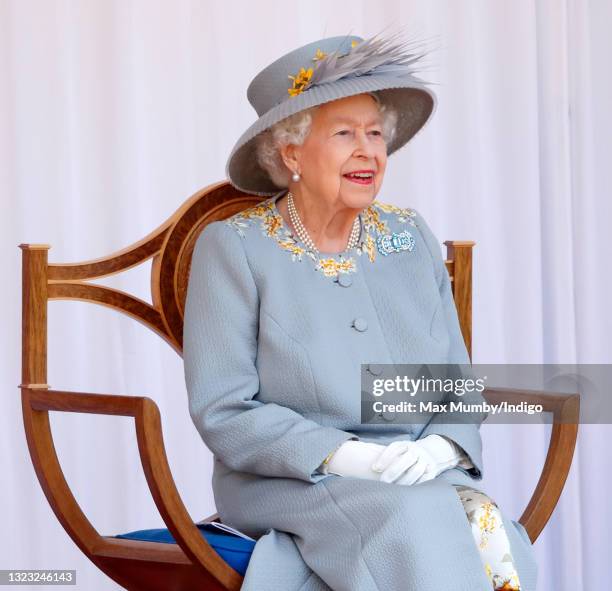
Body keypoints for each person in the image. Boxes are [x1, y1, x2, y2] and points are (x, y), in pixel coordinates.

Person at [183, 30, 538, 591]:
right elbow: (224, 408)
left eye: (375, 133)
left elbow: (452, 377)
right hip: (292, 479)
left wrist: (442, 445)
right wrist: (344, 456)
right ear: (291, 152)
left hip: (418, 469)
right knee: (415, 521)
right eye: (344, 133)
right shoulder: (235, 247)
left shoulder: (408, 234)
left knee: (486, 523)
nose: (367, 151)